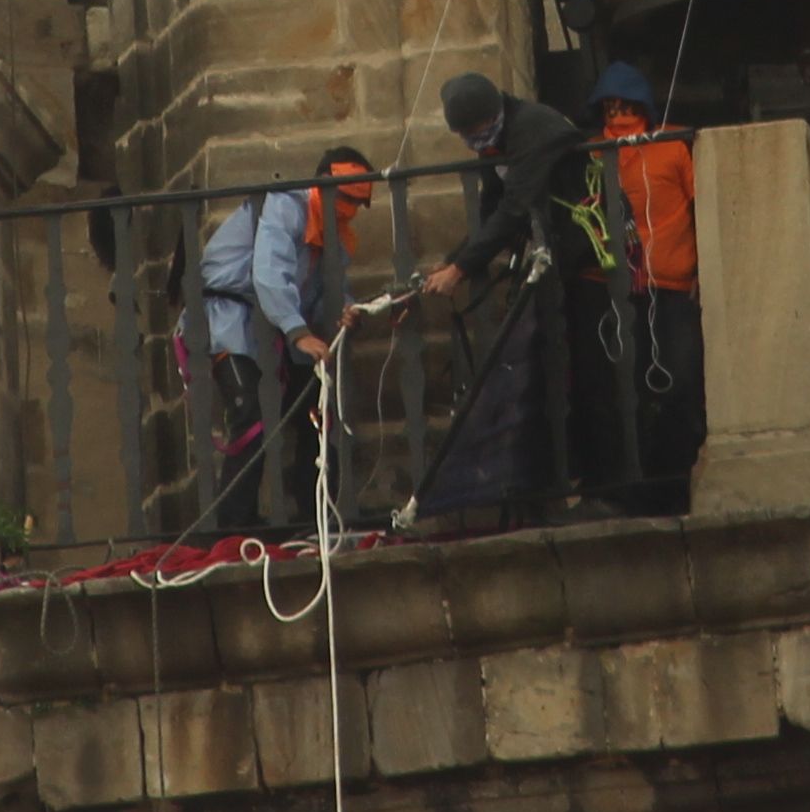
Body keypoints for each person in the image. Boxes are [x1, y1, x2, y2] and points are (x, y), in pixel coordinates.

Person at [402, 72, 608, 525]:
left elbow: (516, 207)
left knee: (590, 376)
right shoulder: (500, 142)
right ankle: (554, 484)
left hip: (585, 264)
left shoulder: (533, 129)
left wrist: (461, 269)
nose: (475, 141)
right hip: (554, 267)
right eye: (467, 135)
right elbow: (494, 213)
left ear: (494, 114)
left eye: (478, 130)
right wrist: (454, 261)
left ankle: (599, 486)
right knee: (550, 373)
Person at [192, 144, 376, 538]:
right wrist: (300, 333)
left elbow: (329, 290)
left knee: (317, 405)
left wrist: (345, 309)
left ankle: (315, 514)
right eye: (344, 198)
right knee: (251, 415)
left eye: (358, 203)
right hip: (231, 321)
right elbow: (269, 272)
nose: (349, 208)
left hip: (280, 330)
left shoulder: (336, 237)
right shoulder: (285, 206)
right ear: (323, 185)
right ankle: (234, 526)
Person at [583, 62, 703, 515]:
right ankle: (619, 494)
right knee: (613, 397)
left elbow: (702, 203)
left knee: (678, 388)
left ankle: (669, 489)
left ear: (645, 107)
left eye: (626, 105)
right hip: (608, 290)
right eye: (610, 106)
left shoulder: (672, 146)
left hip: (671, 287)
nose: (618, 113)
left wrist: (704, 272)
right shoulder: (591, 153)